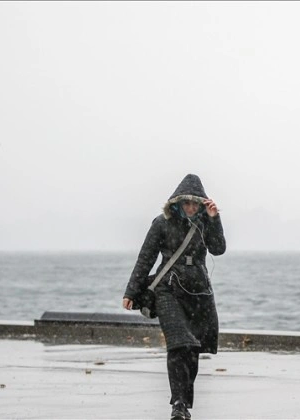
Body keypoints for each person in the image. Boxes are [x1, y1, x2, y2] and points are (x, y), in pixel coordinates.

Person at [122, 174, 226, 420]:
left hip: (199, 291)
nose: (190, 207)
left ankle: (184, 403)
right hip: (167, 289)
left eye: (195, 203)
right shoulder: (161, 223)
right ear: (177, 203)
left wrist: (215, 219)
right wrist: (131, 291)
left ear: (201, 203)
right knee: (179, 343)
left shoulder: (205, 222)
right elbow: (145, 257)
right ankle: (178, 403)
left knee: (192, 347)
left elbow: (218, 249)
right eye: (186, 203)